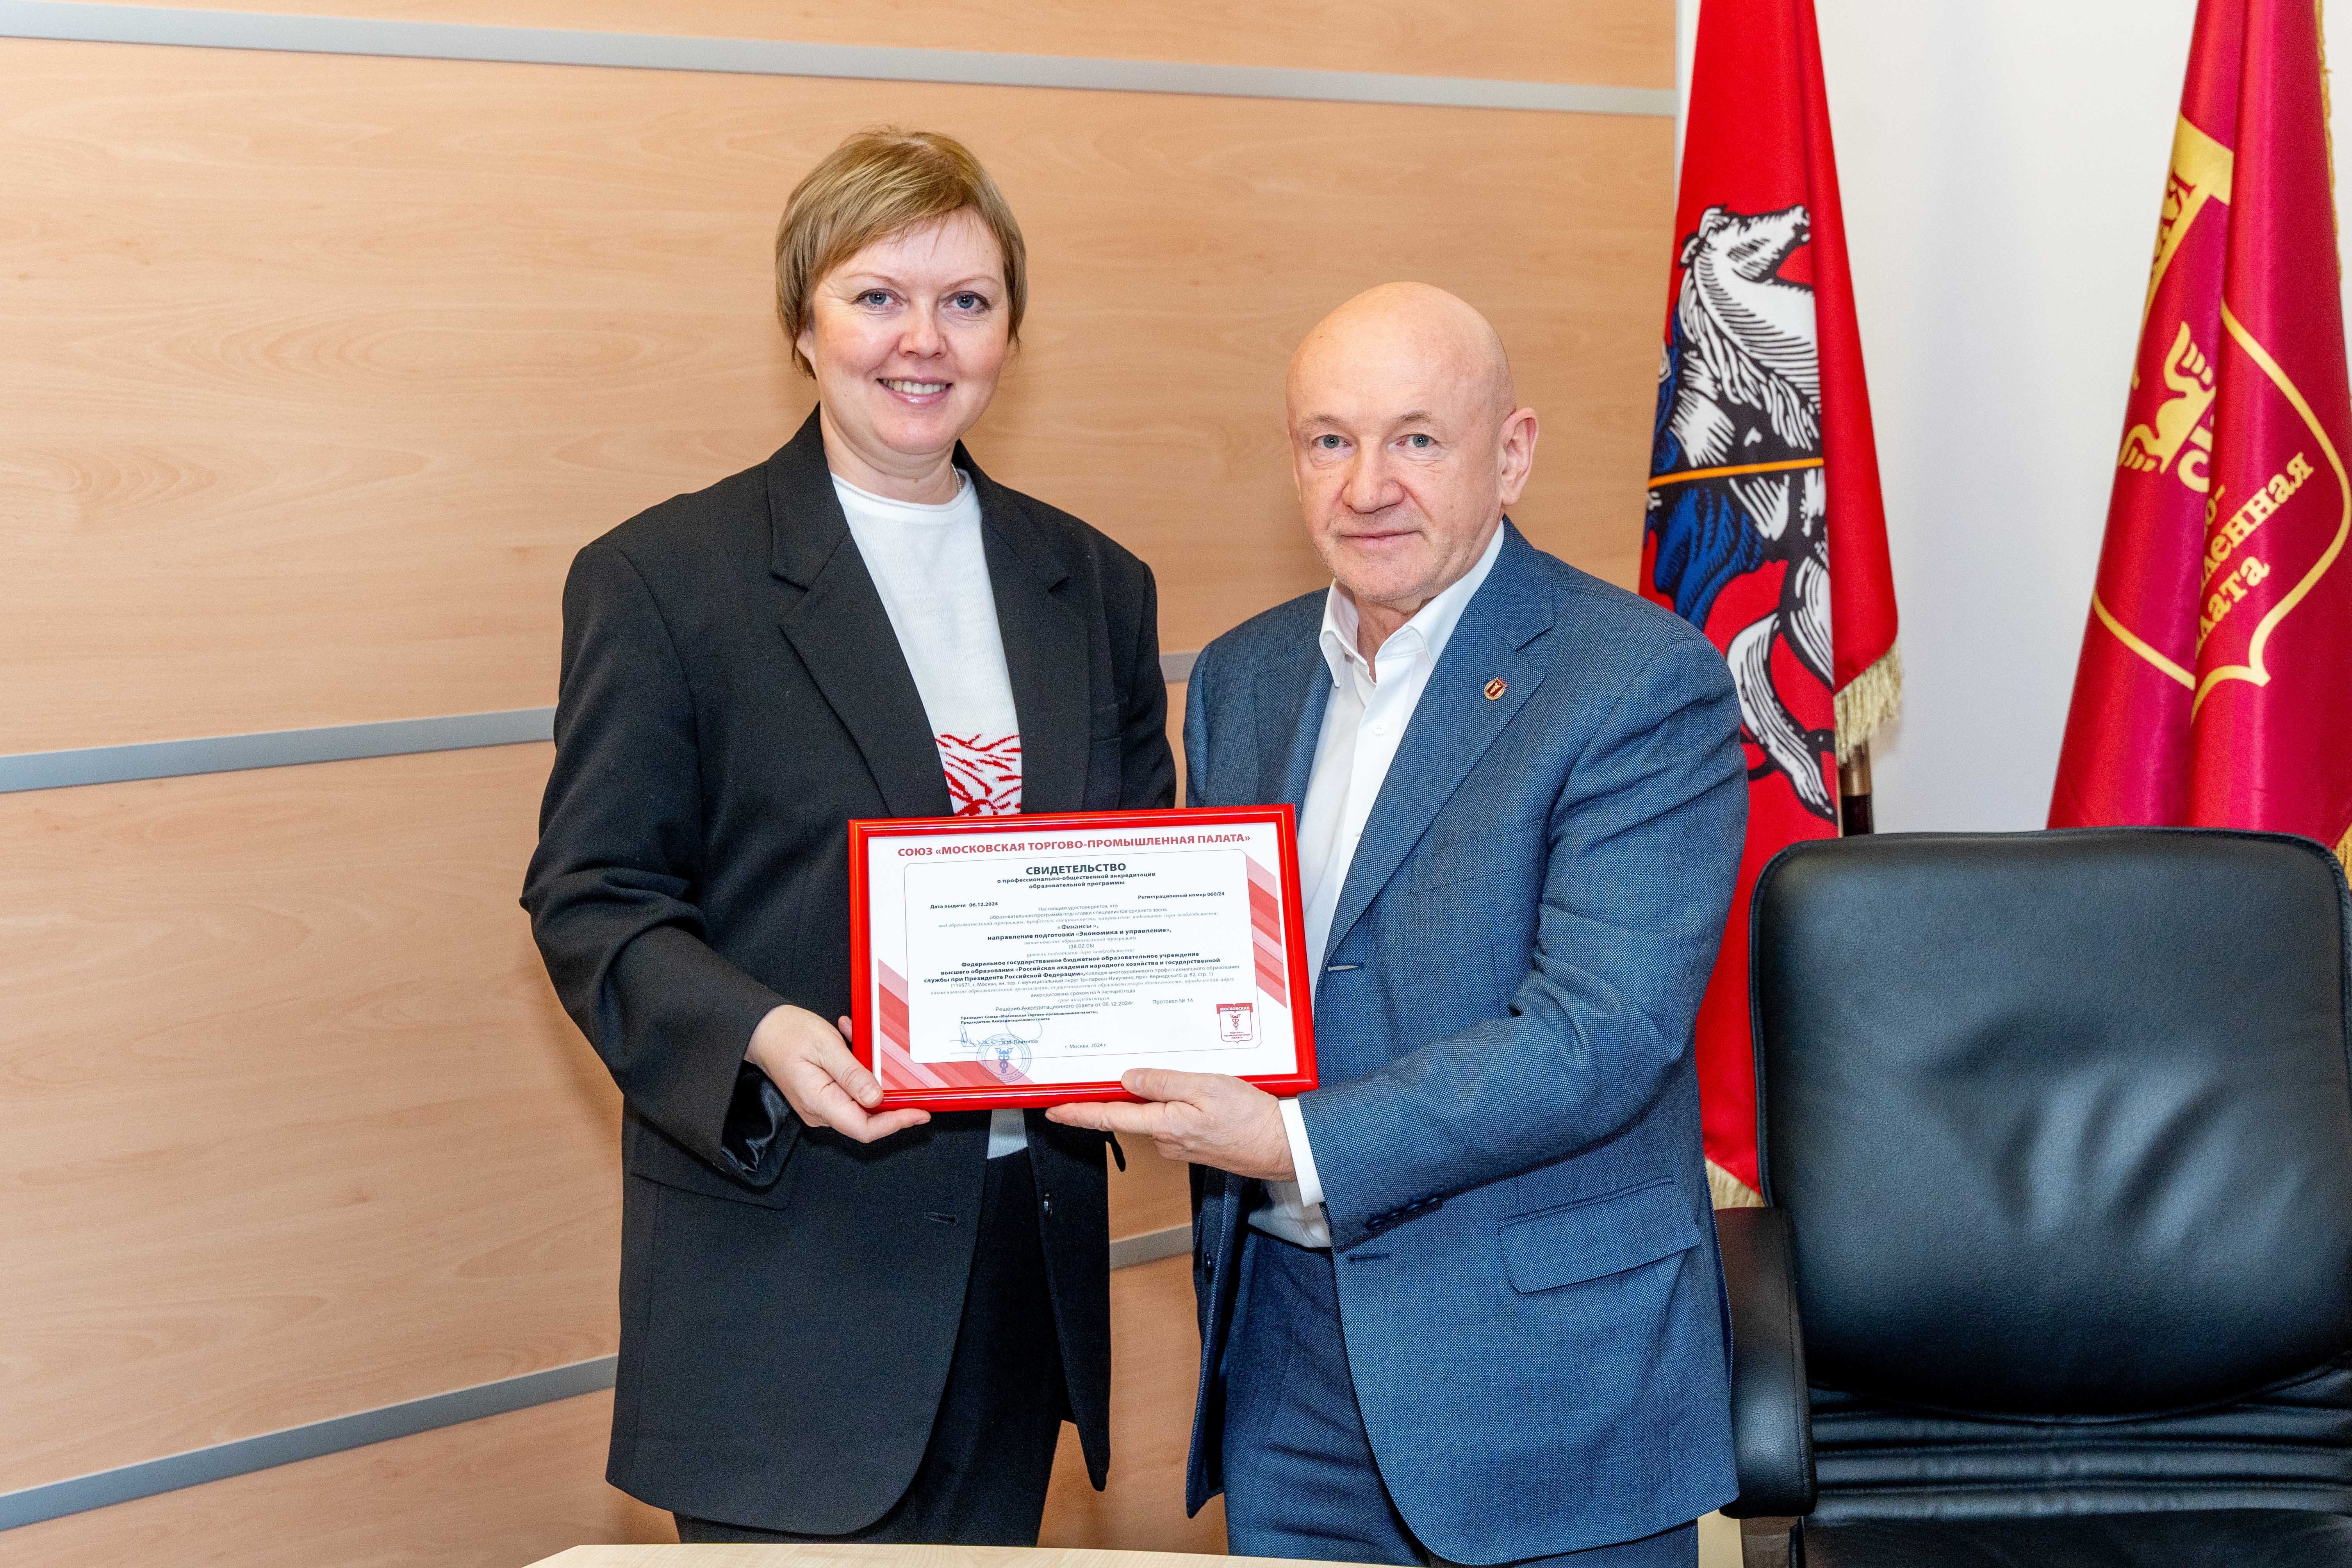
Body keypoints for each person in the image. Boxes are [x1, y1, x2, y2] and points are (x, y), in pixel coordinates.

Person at [523, 128, 1174, 1544]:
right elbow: (593, 898)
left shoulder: (1094, 585)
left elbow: (1135, 884)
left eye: (967, 301)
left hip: (1018, 1271)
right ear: (803, 325)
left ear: (1011, 333)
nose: (922, 341)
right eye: (878, 297)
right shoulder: (666, 581)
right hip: (787, 1285)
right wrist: (758, 1031)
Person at [1050, 284, 1744, 1566]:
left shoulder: (1641, 682)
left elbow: (1601, 1035)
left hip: (1544, 1380)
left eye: (1418, 438)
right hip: (1286, 1369)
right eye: (1331, 440)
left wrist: (1292, 1138)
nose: (1368, 486)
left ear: (1513, 454)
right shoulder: (1245, 674)